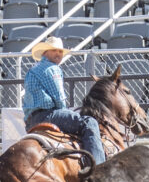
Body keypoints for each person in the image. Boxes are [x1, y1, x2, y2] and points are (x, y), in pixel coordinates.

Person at [22, 36, 106, 165]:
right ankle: (98, 167)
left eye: (60, 51)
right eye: (54, 50)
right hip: (48, 115)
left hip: (31, 121)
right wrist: (65, 111)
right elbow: (59, 98)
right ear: (45, 53)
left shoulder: (33, 69)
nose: (58, 54)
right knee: (90, 122)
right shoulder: (52, 69)